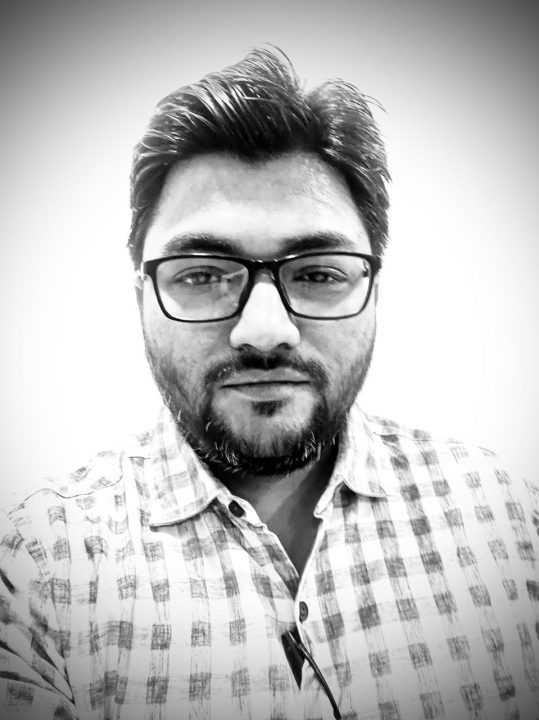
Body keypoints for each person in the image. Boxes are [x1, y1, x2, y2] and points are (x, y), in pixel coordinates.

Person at [1, 47, 537, 720]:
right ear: (142, 298)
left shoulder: (509, 526)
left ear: (373, 292)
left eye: (317, 273)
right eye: (202, 274)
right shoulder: (37, 570)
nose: (263, 331)